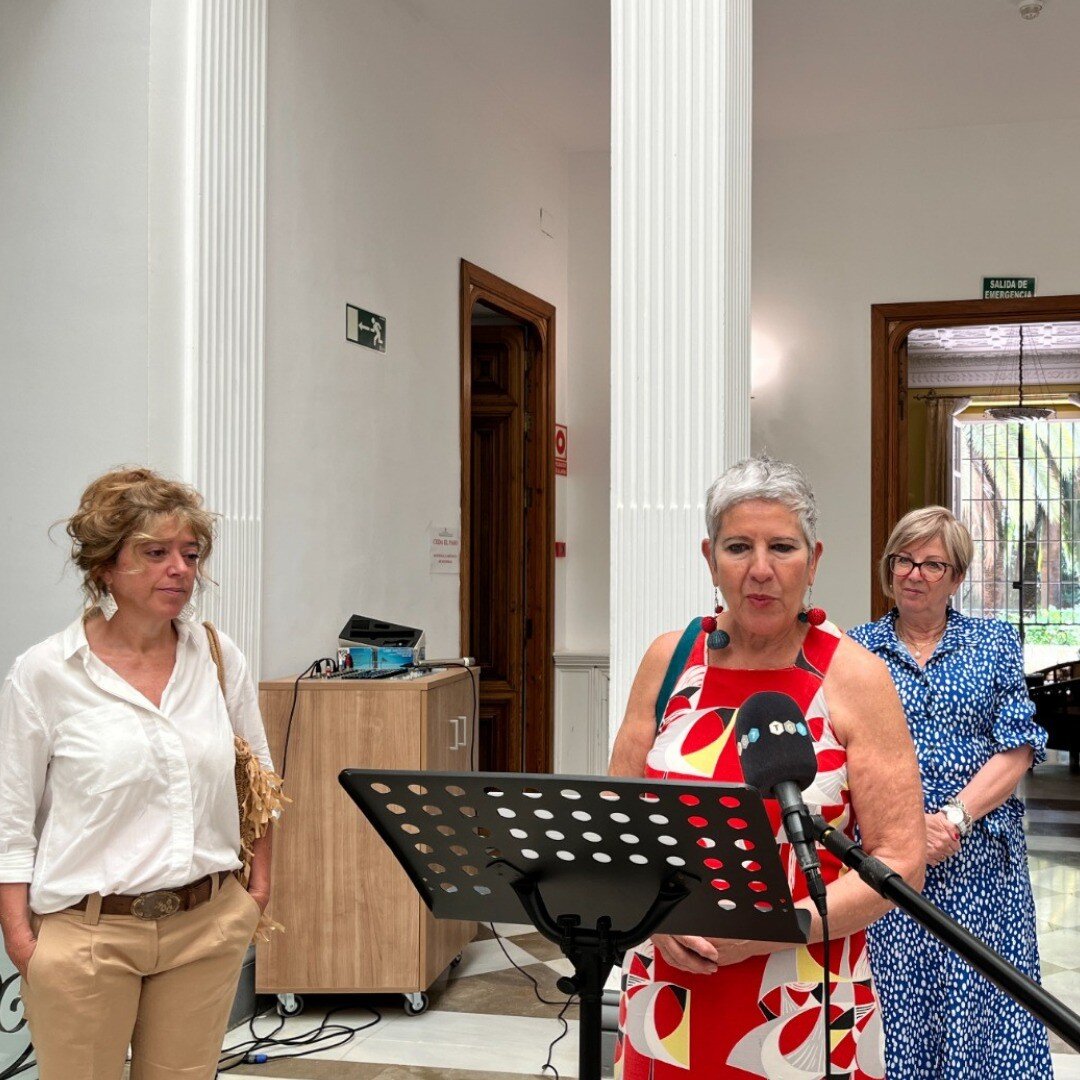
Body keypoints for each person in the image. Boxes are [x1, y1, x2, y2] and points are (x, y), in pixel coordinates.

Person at [609, 454, 925, 1079]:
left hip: (803, 994)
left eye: (782, 547)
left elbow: (901, 862)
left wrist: (770, 930)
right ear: (709, 558)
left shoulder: (854, 676)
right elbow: (623, 825)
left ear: (814, 560)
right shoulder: (669, 662)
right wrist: (656, 916)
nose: (760, 570)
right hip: (670, 984)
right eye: (737, 547)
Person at [0, 467, 276, 1079]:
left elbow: (258, 780)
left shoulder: (217, 655)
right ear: (104, 565)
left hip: (204, 926)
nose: (179, 568)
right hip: (87, 935)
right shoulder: (45, 673)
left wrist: (255, 893)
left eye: (190, 553)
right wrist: (22, 941)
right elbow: (10, 822)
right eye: (155, 553)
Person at [848, 505, 1051, 1079]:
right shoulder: (854, 652)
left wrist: (954, 818)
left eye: (932, 564)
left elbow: (1018, 747)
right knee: (896, 1003)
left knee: (983, 1006)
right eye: (903, 560)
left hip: (979, 861)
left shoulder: (993, 643)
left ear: (957, 577)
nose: (914, 574)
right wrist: (911, 828)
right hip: (889, 860)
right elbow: (844, 757)